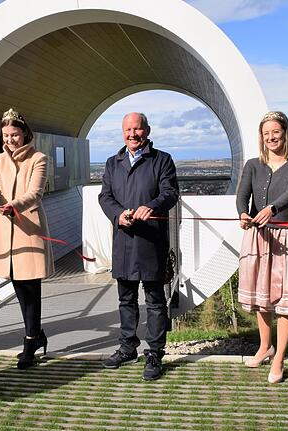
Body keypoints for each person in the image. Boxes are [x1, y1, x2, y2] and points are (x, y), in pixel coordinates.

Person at [98, 112, 179, 381]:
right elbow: (105, 196)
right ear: (123, 133)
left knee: (155, 302)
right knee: (126, 299)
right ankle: (127, 347)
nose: (133, 134)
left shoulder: (162, 160)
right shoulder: (112, 163)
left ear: (147, 130)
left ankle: (154, 353)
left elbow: (170, 193)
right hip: (124, 240)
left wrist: (152, 206)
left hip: (152, 241)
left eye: (138, 129)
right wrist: (118, 214)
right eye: (128, 130)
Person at [236, 111, 288, 384]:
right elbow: (243, 194)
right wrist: (243, 213)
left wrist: (272, 208)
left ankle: (279, 359)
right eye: (266, 134)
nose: (270, 138)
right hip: (257, 236)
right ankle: (265, 347)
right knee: (261, 297)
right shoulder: (253, 164)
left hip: (284, 237)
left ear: (285, 133)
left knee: (285, 300)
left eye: (275, 132)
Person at [0, 108, 54, 370]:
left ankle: (30, 340)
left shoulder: (39, 158)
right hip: (6, 232)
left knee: (31, 289)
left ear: (25, 133)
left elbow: (35, 194)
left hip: (29, 229)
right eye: (6, 135)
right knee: (20, 289)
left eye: (14, 134)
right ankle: (36, 334)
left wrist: (13, 205)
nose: (10, 140)